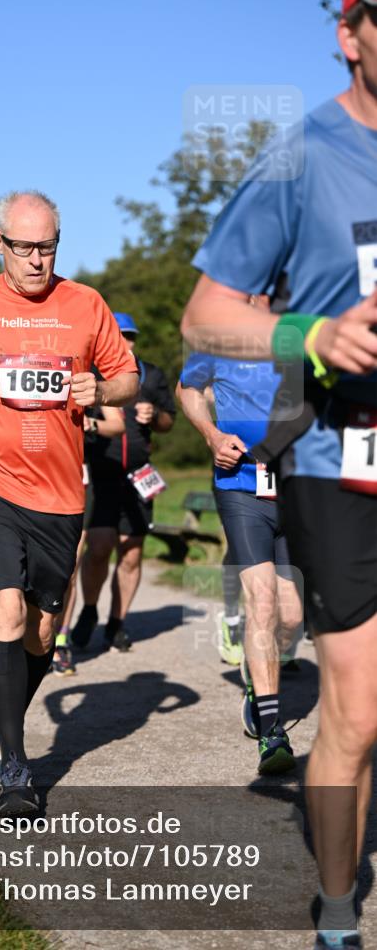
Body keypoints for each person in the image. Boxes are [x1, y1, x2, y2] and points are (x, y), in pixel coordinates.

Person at [181, 0, 377, 946]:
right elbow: (207, 312)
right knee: (359, 700)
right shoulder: (301, 157)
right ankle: (338, 908)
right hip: (342, 460)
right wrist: (312, 335)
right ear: (350, 35)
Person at [0, 190, 139, 817]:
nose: (37, 260)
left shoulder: (86, 303)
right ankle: (15, 765)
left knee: (40, 632)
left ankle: (4, 715)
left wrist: (103, 387)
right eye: (25, 247)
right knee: (5, 609)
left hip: (60, 492)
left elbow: (128, 376)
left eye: (48, 247)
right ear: (0, 243)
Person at [177, 298, 303, 775]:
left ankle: (258, 673)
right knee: (263, 603)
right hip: (241, 489)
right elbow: (188, 389)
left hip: (296, 491)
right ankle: (272, 731)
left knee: (290, 618)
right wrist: (211, 435)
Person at [72, 312, 175, 653]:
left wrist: (154, 417)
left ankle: (117, 622)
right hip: (101, 471)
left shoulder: (152, 374)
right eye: (120, 335)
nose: (126, 342)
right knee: (99, 547)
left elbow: (168, 422)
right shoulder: (91, 373)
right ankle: (89, 610)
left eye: (130, 336)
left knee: (131, 552)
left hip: (139, 475)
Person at [52, 403, 125, 676]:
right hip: (31, 469)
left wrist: (90, 424)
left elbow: (118, 423)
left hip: (77, 474)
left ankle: (60, 640)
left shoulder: (91, 371)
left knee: (69, 565)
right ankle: (27, 634)